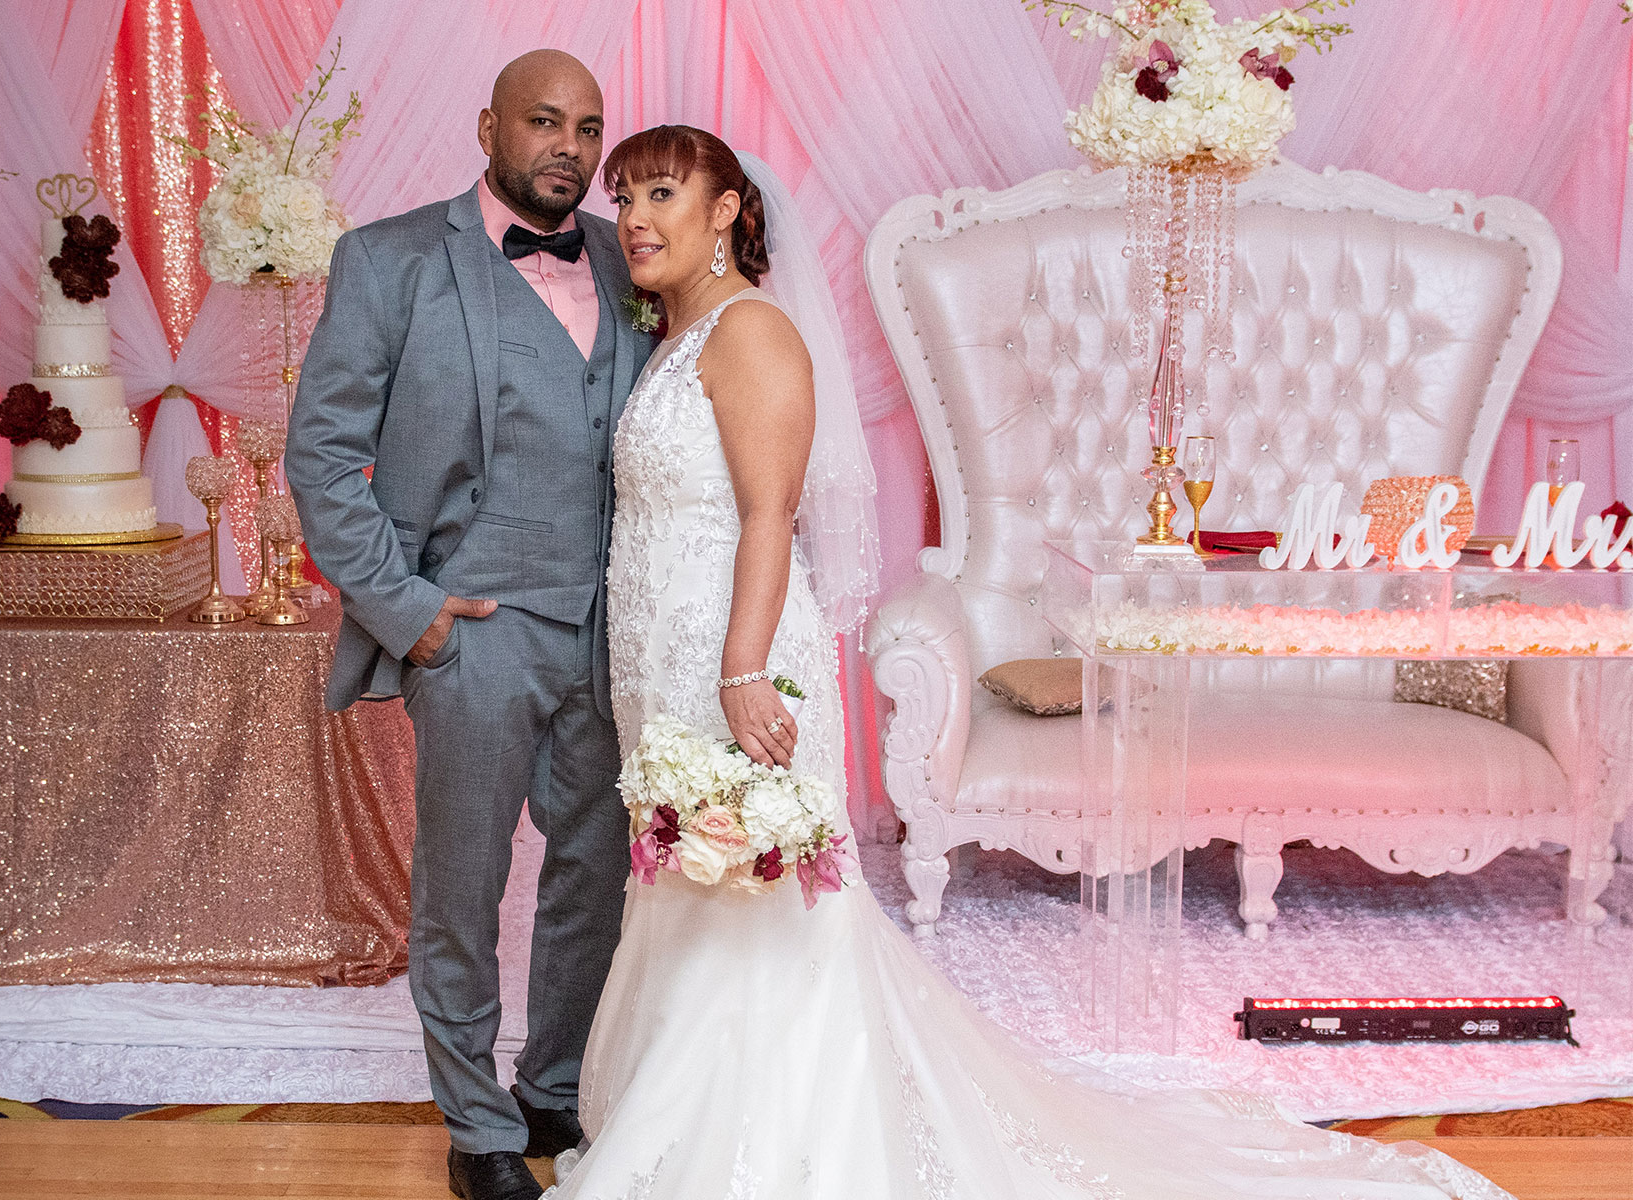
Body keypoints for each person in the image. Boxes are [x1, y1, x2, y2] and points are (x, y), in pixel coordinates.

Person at [544, 123, 1517, 1199]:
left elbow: (771, 516)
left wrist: (740, 674)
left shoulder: (752, 334)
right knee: (690, 888)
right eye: (624, 197)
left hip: (733, 666)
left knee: (755, 906)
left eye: (662, 194)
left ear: (726, 211)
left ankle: (753, 1155)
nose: (633, 219)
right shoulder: (678, 338)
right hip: (666, 666)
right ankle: (694, 1129)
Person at [286, 51, 652, 1200]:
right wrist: (409, 614)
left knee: (596, 875)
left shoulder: (631, 256)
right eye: (544, 122)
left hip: (611, 630)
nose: (570, 148)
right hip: (473, 627)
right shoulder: (388, 259)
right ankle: (479, 1129)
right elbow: (321, 457)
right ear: (489, 128)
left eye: (587, 127)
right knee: (463, 886)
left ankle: (552, 1087)